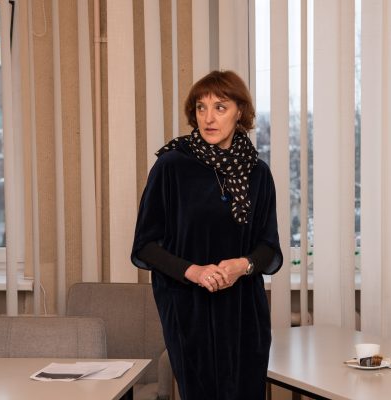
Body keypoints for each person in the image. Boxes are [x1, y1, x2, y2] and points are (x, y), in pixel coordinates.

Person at [131, 70, 283, 400]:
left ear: (240, 112)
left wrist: (242, 265)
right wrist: (195, 271)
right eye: (201, 108)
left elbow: (269, 248)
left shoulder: (257, 172)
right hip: (189, 307)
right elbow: (145, 246)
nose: (208, 118)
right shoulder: (171, 166)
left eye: (220, 107)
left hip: (244, 310)